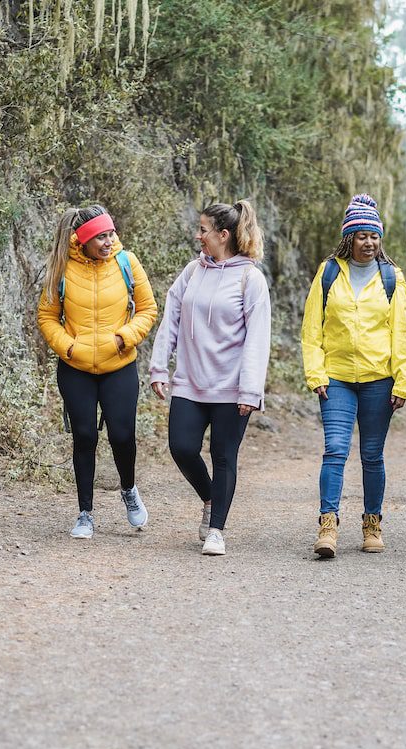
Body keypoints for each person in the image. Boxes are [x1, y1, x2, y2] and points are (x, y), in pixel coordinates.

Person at [149, 200, 271, 557]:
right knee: (182, 448)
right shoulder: (192, 272)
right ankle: (209, 497)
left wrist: (250, 389)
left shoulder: (251, 278)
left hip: (232, 389)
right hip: (190, 381)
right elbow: (170, 318)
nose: (197, 235)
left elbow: (257, 338)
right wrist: (159, 366)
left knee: (223, 455)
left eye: (203, 230)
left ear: (223, 235)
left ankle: (216, 529)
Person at [300, 194, 406, 558]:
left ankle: (372, 523)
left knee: (371, 454)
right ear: (349, 237)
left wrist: (403, 380)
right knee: (334, 450)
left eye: (374, 236)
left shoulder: (392, 277)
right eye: (362, 236)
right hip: (336, 378)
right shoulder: (329, 272)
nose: (369, 243)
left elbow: (400, 334)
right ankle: (328, 524)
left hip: (379, 380)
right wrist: (315, 373)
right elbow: (311, 329)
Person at [37, 205, 159, 539]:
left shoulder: (126, 262)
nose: (109, 241)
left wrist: (125, 337)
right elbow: (47, 316)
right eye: (101, 236)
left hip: (118, 364)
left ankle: (129, 489)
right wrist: (69, 347)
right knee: (85, 437)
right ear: (84, 239)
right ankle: (85, 514)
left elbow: (148, 308)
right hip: (76, 367)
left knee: (122, 436)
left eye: (110, 234)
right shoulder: (62, 268)